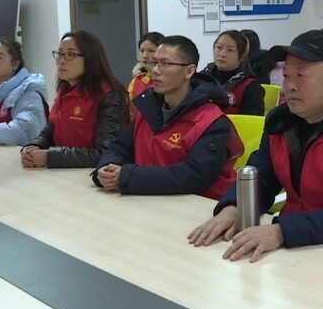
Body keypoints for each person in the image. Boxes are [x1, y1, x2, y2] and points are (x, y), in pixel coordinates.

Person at [188, 29, 323, 263]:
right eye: (287, 76)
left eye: (301, 76)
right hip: (298, 245)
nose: (290, 86)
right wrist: (234, 207)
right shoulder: (281, 120)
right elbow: (263, 176)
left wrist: (282, 231)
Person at [94, 35, 243, 198]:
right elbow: (119, 148)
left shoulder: (212, 122)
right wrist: (107, 168)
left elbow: (193, 177)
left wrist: (127, 176)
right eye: (155, 63)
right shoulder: (149, 108)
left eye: (165, 64)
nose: (155, 70)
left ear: (189, 71)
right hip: (149, 200)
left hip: (199, 206)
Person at [20, 30, 128, 168]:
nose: (61, 60)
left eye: (70, 54)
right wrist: (34, 145)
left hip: (93, 174)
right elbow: (51, 130)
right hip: (63, 172)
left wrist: (49, 157)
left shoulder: (110, 95)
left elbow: (105, 153)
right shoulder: (65, 89)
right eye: (60, 54)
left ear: (90, 59)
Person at [202, 30, 265, 115]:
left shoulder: (250, 87)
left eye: (230, 50)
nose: (222, 54)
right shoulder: (202, 77)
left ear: (242, 56)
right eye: (219, 47)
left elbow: (252, 121)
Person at [128, 32, 164, 121]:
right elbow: (130, 113)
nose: (145, 56)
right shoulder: (137, 80)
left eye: (151, 51)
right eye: (142, 51)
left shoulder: (170, 80)